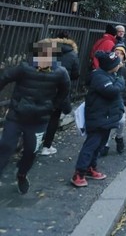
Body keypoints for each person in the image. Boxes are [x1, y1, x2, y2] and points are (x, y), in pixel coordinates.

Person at [0, 39, 70, 194]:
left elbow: (65, 91)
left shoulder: (60, 73)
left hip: (39, 119)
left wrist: (52, 106)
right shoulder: (24, 68)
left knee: (31, 151)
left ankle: (22, 174)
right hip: (17, 116)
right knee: (6, 146)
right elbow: (5, 77)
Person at [71, 51, 125, 187]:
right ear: (110, 66)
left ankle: (91, 167)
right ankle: (79, 173)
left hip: (107, 117)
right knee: (91, 145)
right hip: (98, 117)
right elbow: (111, 91)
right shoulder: (100, 77)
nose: (119, 65)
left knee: (99, 145)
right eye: (117, 63)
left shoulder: (110, 75)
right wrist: (121, 81)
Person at [40, 33, 80, 156]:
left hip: (41, 88)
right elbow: (75, 74)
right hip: (59, 91)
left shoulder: (45, 49)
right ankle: (46, 146)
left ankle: (30, 144)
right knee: (54, 118)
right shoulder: (73, 54)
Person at [101, 45, 126, 156]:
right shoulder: (108, 66)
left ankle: (119, 136)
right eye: (116, 52)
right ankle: (105, 144)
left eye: (120, 53)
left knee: (121, 121)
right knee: (107, 121)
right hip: (109, 98)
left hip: (122, 98)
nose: (118, 55)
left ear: (124, 55)